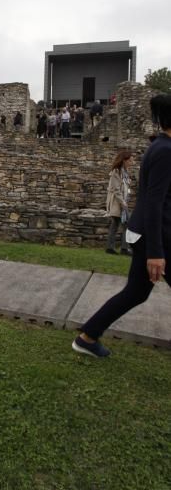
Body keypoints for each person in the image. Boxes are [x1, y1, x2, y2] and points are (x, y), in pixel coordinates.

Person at [72, 94, 171, 358]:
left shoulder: (160, 147)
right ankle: (87, 336)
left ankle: (88, 336)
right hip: (157, 237)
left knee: (136, 293)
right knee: (135, 292)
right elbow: (153, 203)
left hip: (151, 234)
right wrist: (156, 252)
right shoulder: (164, 151)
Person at [105, 150, 134, 255]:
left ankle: (110, 247)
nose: (131, 162)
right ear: (124, 160)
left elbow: (125, 187)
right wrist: (123, 203)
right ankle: (124, 248)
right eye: (130, 160)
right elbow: (116, 190)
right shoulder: (116, 172)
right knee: (126, 224)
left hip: (123, 201)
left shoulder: (125, 173)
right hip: (118, 203)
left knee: (116, 224)